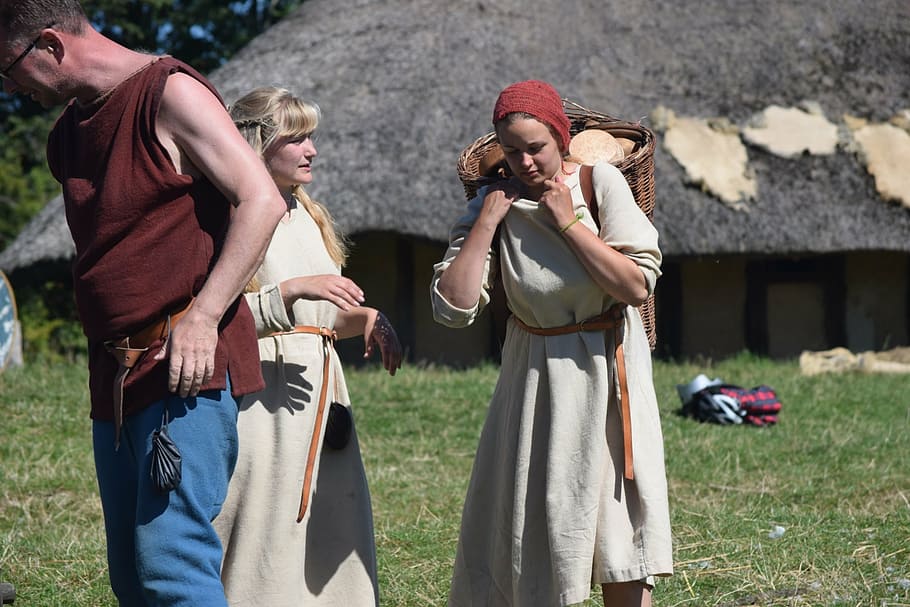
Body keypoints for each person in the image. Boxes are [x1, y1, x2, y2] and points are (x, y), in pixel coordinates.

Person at [0, 2, 287, 605]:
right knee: (133, 577)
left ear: (50, 44)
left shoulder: (170, 93)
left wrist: (204, 317)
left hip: (184, 365)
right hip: (116, 377)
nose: (10, 87)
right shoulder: (69, 134)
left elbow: (261, 200)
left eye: (9, 69)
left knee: (172, 565)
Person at [431, 80, 673, 607]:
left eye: (535, 147)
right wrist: (486, 223)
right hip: (534, 374)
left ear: (561, 139)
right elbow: (452, 307)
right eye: (512, 150)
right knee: (533, 523)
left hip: (607, 370)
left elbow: (635, 285)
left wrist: (568, 221)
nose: (525, 161)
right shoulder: (490, 205)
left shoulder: (599, 182)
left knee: (616, 524)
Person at [213, 86, 402, 607]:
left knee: (327, 527)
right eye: (295, 139)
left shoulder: (308, 214)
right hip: (263, 400)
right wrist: (292, 291)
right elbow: (209, 319)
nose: (311, 150)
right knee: (267, 528)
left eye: (311, 136)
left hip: (320, 391)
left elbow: (314, 321)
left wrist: (363, 319)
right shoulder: (231, 215)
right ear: (256, 143)